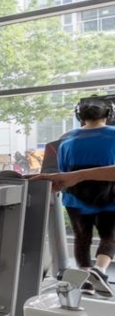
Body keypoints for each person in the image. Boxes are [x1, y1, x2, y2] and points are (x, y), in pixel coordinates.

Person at [52, 98, 115, 279]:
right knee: (109, 236)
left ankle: (85, 275)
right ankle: (100, 270)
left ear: (79, 116)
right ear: (109, 114)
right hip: (110, 198)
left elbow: (63, 174)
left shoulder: (66, 140)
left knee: (82, 237)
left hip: (76, 200)